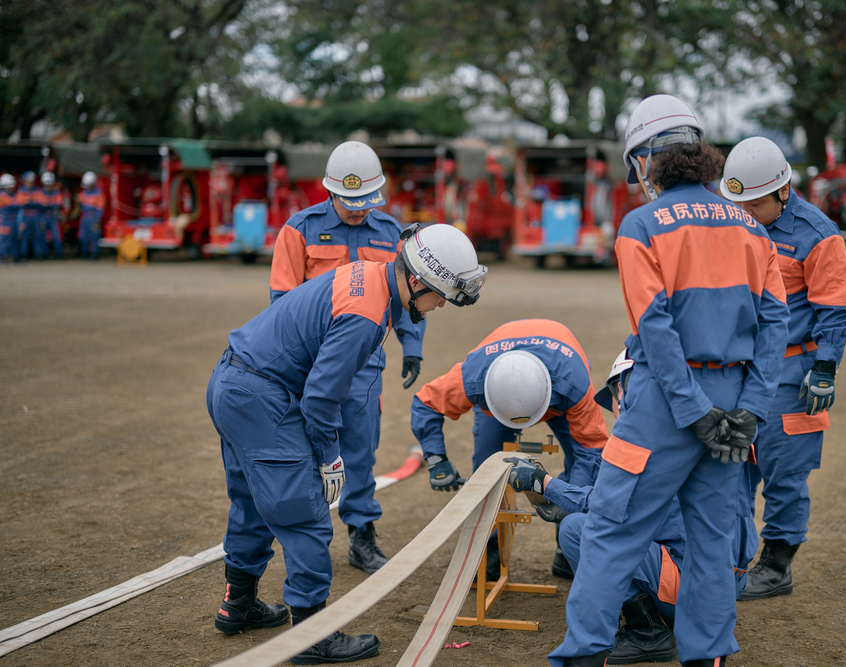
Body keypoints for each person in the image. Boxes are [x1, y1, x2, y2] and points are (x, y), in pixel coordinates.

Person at [550, 94, 789, 667]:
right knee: (711, 543)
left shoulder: (641, 225)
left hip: (664, 405)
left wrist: (690, 409)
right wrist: (750, 409)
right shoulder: (753, 230)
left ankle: (584, 654)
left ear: (646, 160)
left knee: (611, 531)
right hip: (734, 407)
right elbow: (775, 321)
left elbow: (652, 327)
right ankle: (708, 657)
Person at [206, 223, 486, 664]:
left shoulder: (370, 276)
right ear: (415, 280)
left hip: (233, 383)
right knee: (306, 518)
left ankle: (237, 604)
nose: (437, 309)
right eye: (438, 297)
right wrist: (330, 458)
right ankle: (311, 638)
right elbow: (320, 398)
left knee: (251, 501)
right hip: (262, 397)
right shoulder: (367, 314)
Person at [508, 350, 759, 665]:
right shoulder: (710, 430)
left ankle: (648, 632)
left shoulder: (658, 442)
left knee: (577, 531)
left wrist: (545, 484)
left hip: (690, 586)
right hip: (722, 579)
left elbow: (607, 508)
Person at [269, 141, 426, 574]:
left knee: (360, 450)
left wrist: (411, 347)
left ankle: (362, 535)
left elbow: (411, 294)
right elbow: (281, 303)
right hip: (306, 364)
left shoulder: (392, 233)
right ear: (329, 192)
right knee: (300, 447)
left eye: (365, 201)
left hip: (364, 363)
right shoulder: (298, 230)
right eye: (348, 201)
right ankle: (305, 537)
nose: (357, 209)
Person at [720, 137, 846, 600]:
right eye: (737, 202)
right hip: (740, 369)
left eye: (754, 203)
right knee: (730, 471)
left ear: (783, 191)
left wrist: (825, 369)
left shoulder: (819, 236)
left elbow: (834, 312)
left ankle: (777, 567)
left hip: (791, 372)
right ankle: (731, 559)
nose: (745, 211)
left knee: (784, 473)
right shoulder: (735, 223)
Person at [410, 319, 607, 580]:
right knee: (487, 469)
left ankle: (568, 545)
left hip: (560, 389)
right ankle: (487, 548)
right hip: (498, 399)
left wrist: (568, 501)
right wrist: (436, 459)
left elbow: (590, 449)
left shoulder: (574, 384)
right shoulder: (473, 377)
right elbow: (426, 403)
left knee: (583, 467)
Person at [15, 171, 47, 261]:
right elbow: (20, 203)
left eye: (32, 181)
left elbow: (43, 203)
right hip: (25, 215)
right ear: (25, 181)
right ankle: (23, 254)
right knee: (24, 235)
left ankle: (38, 254)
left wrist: (30, 202)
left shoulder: (37, 190)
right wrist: (32, 202)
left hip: (36, 215)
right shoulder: (21, 190)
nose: (30, 183)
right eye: (28, 181)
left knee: (38, 234)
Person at [77, 171, 106, 260]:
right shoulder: (83, 193)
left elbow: (100, 207)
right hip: (84, 217)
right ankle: (84, 253)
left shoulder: (99, 193)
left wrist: (97, 219)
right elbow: (79, 205)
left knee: (94, 236)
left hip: (93, 217)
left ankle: (94, 254)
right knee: (83, 236)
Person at [40, 172, 63, 259]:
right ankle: (45, 254)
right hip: (43, 217)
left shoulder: (56, 193)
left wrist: (47, 205)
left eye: (50, 184)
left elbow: (58, 205)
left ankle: (59, 254)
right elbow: (38, 205)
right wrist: (47, 205)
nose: (48, 186)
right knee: (42, 236)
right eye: (47, 184)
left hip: (53, 216)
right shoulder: (40, 193)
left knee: (56, 236)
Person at [0, 173, 19, 262]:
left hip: (14, 220)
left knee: (15, 239)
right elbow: (14, 204)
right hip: (6, 221)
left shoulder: (12, 194)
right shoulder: (2, 195)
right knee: (5, 239)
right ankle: (2, 256)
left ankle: (14, 256)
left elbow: (18, 203)